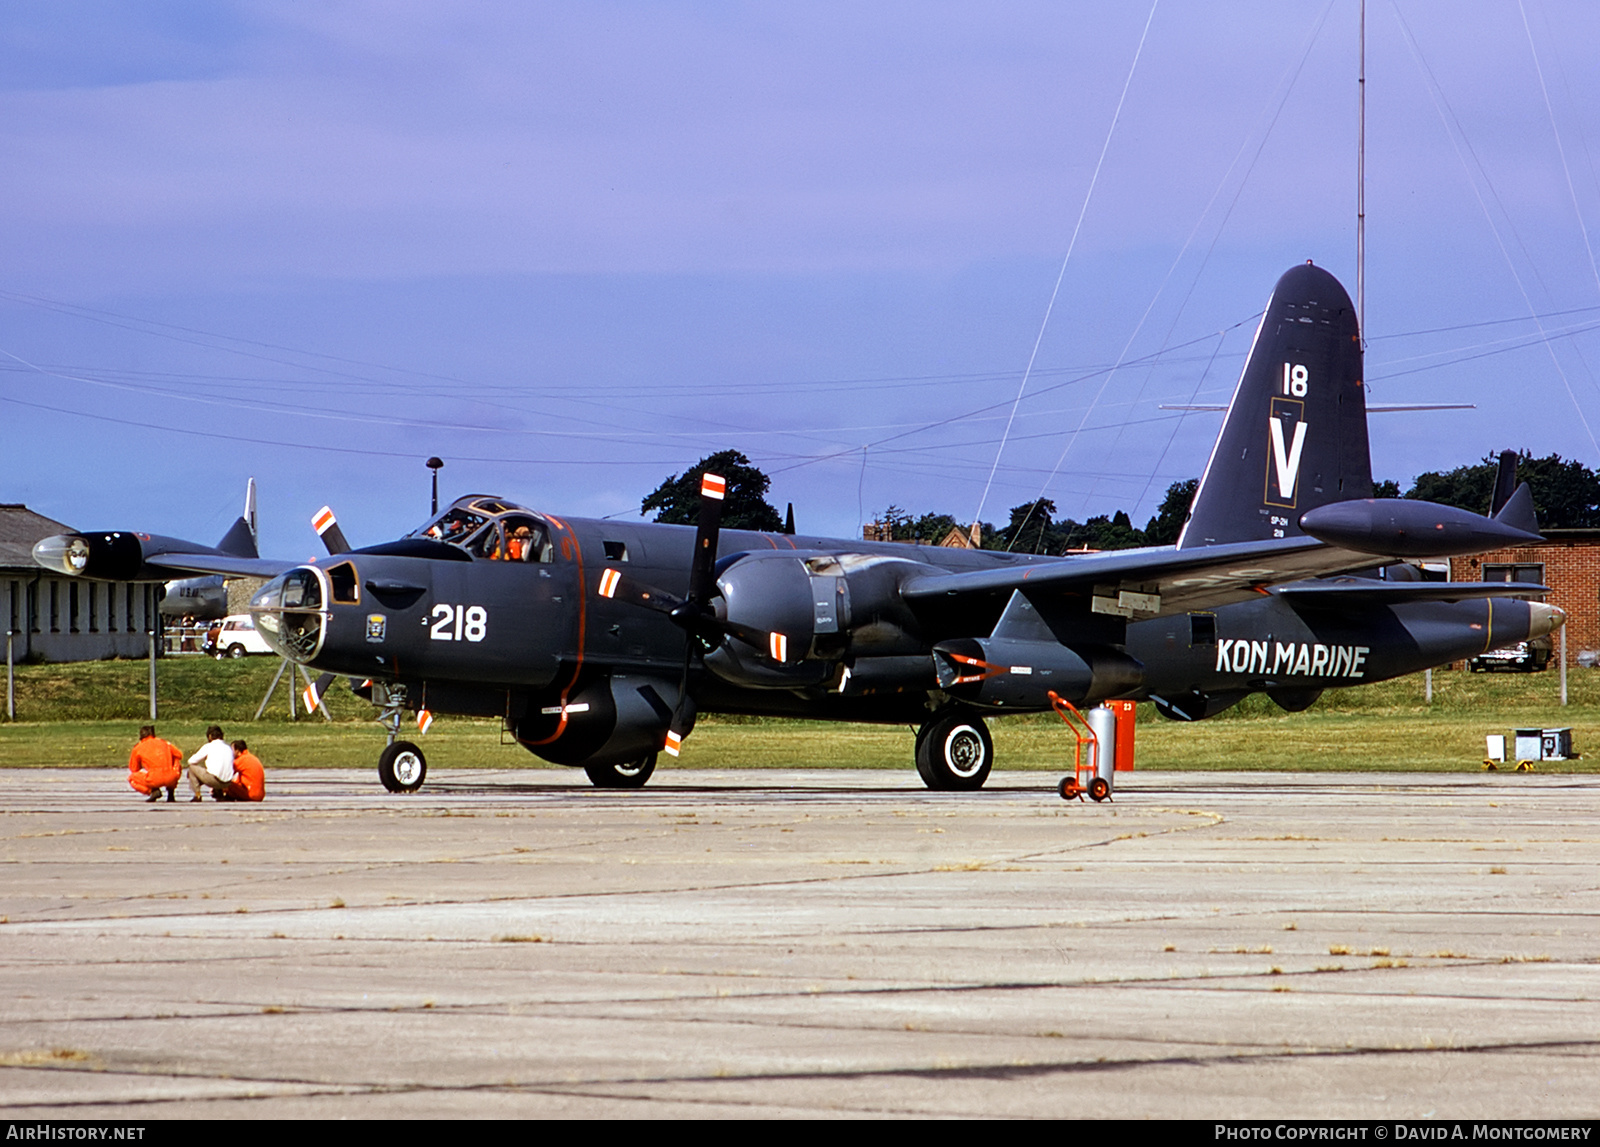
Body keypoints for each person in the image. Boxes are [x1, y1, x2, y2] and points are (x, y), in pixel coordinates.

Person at [128, 725, 182, 803]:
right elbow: (179, 755)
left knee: (132, 778)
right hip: (171, 777)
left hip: (154, 778)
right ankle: (171, 792)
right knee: (177, 763)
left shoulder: (138, 748)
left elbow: (134, 769)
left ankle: (152, 791)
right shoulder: (164, 743)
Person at [187, 725, 235, 802]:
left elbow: (191, 761)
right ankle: (219, 793)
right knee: (216, 769)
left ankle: (197, 795)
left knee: (192, 768)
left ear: (210, 736)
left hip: (214, 780)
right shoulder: (228, 747)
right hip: (228, 782)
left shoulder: (209, 746)